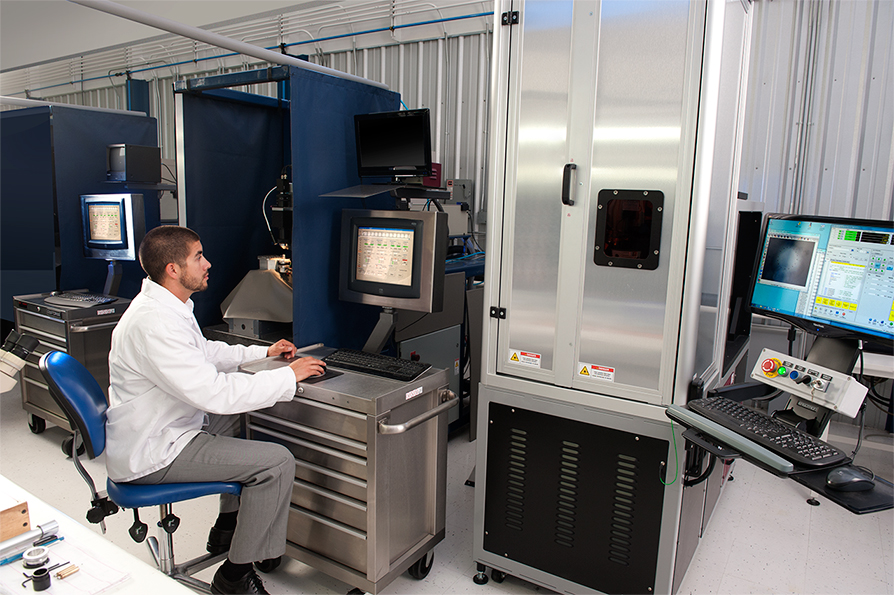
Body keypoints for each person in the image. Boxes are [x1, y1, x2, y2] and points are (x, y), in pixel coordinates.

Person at [105, 225, 325, 595]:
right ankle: (235, 576)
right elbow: (214, 393)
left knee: (240, 422)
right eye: (198, 257)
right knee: (277, 462)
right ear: (174, 269)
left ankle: (228, 526)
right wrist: (288, 377)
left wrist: (261, 353)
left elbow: (204, 353)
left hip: (164, 425)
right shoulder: (154, 323)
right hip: (156, 452)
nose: (208, 263)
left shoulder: (165, 304)